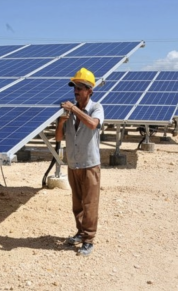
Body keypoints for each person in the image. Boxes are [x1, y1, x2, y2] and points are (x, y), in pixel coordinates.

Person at [55, 67, 104, 257]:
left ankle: (89, 240)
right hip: (73, 164)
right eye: (75, 87)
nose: (76, 91)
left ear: (90, 91)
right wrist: (61, 121)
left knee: (90, 203)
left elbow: (93, 124)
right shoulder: (68, 112)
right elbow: (59, 137)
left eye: (81, 87)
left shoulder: (96, 108)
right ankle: (80, 232)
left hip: (90, 164)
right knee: (77, 203)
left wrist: (74, 109)